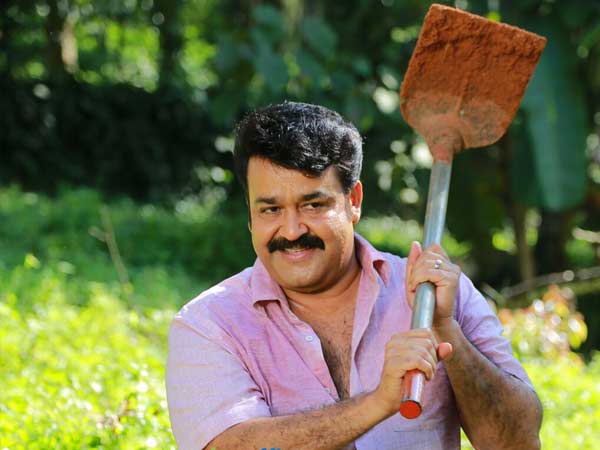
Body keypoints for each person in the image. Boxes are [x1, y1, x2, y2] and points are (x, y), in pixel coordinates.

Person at [166, 101, 542, 450]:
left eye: (313, 205)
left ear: (354, 202)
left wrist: (447, 330)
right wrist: (376, 403)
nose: (292, 230)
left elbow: (518, 442)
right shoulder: (209, 323)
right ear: (250, 215)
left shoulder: (434, 293)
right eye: (271, 210)